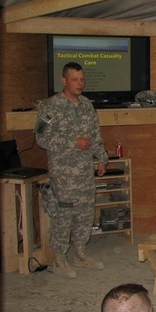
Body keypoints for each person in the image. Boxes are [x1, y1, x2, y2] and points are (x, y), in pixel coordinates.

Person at [35, 62, 108, 279]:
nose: (80, 84)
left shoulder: (86, 105)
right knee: (63, 216)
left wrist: (101, 158)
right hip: (63, 174)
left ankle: (80, 254)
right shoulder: (50, 107)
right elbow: (41, 137)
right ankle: (59, 259)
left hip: (85, 172)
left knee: (85, 213)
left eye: (82, 79)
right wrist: (72, 142)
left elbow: (95, 135)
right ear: (64, 81)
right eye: (75, 79)